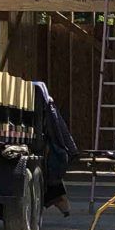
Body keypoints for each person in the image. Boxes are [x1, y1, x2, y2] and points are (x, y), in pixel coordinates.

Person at [33, 80, 78, 215]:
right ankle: (59, 200)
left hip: (52, 148)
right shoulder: (48, 104)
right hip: (53, 149)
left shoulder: (46, 105)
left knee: (51, 166)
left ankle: (59, 200)